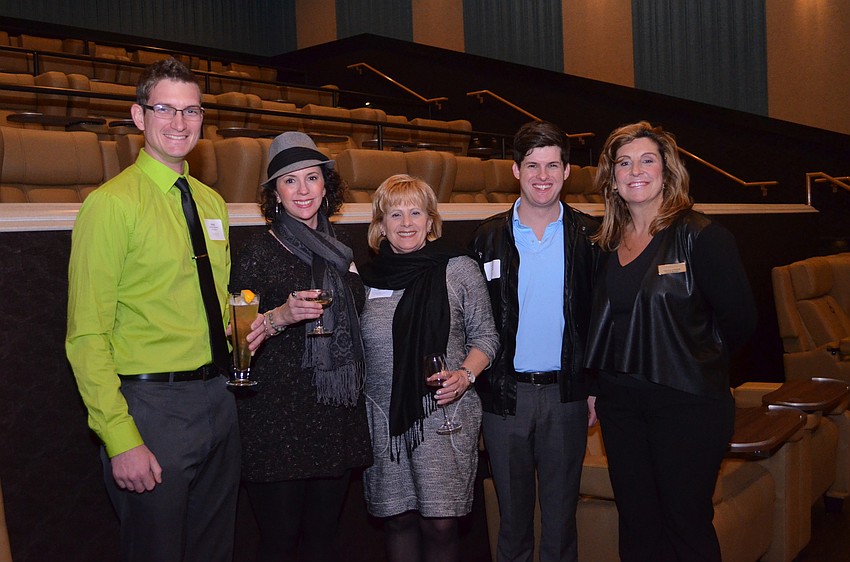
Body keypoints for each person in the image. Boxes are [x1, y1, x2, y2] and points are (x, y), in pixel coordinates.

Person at [66, 58, 266, 562]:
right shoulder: (110, 205)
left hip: (219, 401)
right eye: (165, 109)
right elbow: (86, 335)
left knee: (214, 550)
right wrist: (119, 437)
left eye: (191, 111)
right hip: (150, 410)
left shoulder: (212, 203)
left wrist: (240, 331)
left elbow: (209, 299)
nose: (180, 123)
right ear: (139, 116)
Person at [584, 121, 757, 562]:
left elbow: (740, 322)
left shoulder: (702, 236)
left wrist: (693, 360)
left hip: (688, 405)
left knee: (686, 524)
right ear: (612, 176)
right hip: (620, 409)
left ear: (668, 170)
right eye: (623, 162)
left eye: (647, 160)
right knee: (638, 526)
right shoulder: (603, 244)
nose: (635, 170)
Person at [231, 131, 372, 562]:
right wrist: (281, 316)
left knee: (322, 541)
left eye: (312, 178)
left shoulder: (340, 249)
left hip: (331, 416)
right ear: (274, 193)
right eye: (290, 181)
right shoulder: (256, 250)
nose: (303, 190)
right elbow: (235, 338)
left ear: (326, 185)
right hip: (276, 418)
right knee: (278, 542)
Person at [470, 121, 599, 562]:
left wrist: (593, 386)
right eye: (532, 166)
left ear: (566, 172)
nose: (542, 176)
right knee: (512, 522)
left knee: (562, 522)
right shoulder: (486, 237)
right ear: (515, 170)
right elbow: (472, 321)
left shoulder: (591, 236)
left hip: (567, 396)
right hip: (505, 398)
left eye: (551, 165)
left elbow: (600, 320)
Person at [357, 174, 499, 562]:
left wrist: (465, 375)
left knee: (440, 524)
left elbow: (487, 337)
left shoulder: (458, 269)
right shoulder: (365, 280)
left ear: (430, 220)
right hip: (383, 419)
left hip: (444, 416)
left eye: (415, 212)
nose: (406, 223)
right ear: (380, 225)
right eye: (395, 213)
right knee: (398, 519)